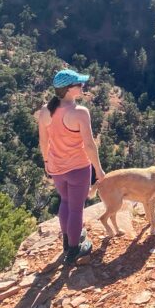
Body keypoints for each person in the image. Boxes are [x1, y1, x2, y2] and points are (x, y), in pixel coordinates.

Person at [35, 68, 106, 264]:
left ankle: (68, 241)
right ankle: (74, 251)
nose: (83, 87)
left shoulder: (45, 111)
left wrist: (46, 162)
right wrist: (98, 171)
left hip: (57, 167)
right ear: (68, 89)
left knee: (65, 202)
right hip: (78, 168)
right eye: (79, 84)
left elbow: (43, 142)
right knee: (76, 209)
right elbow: (90, 146)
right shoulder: (80, 113)